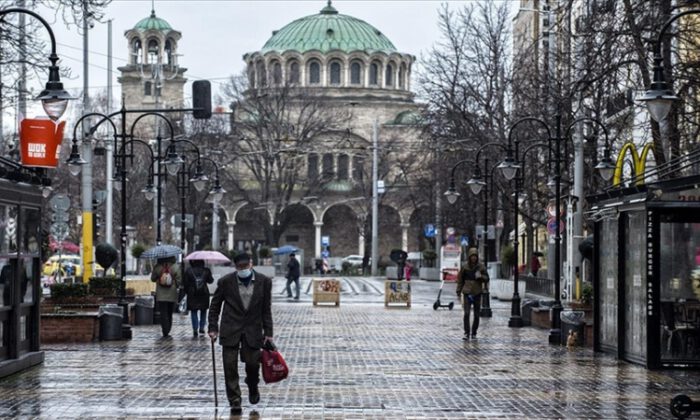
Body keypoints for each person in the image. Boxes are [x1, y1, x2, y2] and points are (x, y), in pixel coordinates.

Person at [208, 252, 273, 416]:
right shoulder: (225, 282)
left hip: (253, 329)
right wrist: (213, 327)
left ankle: (253, 385)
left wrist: (269, 332)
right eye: (240, 267)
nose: (243, 269)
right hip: (230, 328)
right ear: (235, 267)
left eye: (245, 266)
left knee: (252, 364)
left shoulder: (264, 282)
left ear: (251, 264)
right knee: (230, 366)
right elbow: (215, 306)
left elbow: (266, 309)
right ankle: (235, 400)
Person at [456, 248, 489, 340]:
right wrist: (458, 291)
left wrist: (481, 276)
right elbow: (460, 280)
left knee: (476, 314)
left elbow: (487, 278)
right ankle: (467, 333)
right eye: (472, 256)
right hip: (467, 292)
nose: (473, 258)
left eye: (475, 256)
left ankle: (474, 332)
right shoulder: (465, 267)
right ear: (469, 257)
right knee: (466, 313)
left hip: (477, 292)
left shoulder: (481, 267)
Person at [150, 256, 181, 338]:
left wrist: (158, 277)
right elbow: (179, 281)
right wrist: (174, 283)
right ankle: (168, 328)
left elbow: (152, 279)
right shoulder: (175, 266)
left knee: (163, 313)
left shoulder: (158, 267)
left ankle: (165, 330)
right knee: (170, 312)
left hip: (161, 294)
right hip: (172, 293)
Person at [183, 259, 214, 338]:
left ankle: (195, 329)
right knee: (203, 310)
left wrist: (187, 291)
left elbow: (185, 283)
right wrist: (208, 274)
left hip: (192, 293)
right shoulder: (206, 270)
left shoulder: (189, 271)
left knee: (194, 311)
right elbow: (211, 281)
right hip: (204, 293)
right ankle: (202, 327)